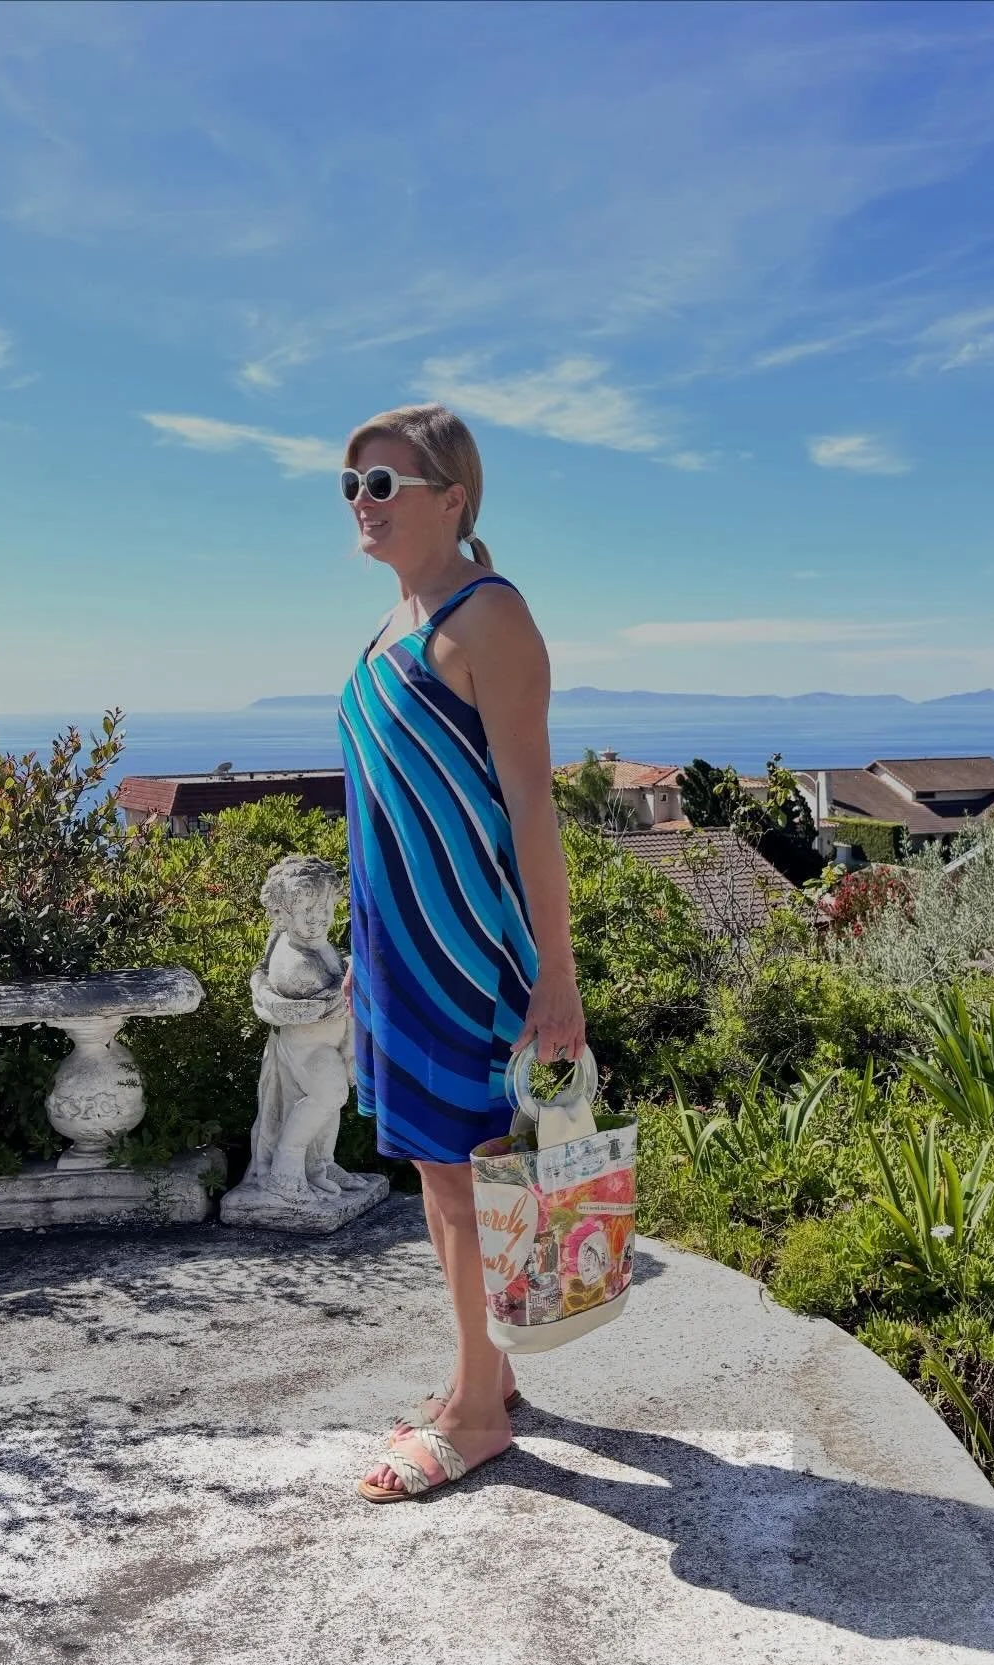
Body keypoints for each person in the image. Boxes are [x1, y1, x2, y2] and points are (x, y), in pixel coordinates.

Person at [336, 403, 586, 1504]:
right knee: (440, 1174)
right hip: (400, 956)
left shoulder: (490, 616)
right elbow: (384, 810)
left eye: (383, 484)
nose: (362, 503)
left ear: (452, 499)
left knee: (472, 1178)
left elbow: (533, 806)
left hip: (473, 955)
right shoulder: (391, 627)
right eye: (351, 484)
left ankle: (477, 1412)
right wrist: (362, 951)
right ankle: (486, 1376)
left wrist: (556, 979)